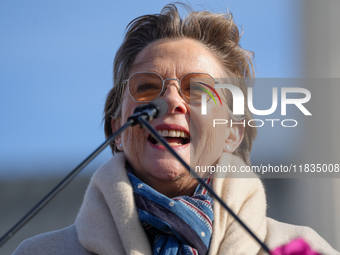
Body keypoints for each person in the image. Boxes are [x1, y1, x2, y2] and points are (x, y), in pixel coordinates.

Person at [13, 3, 339, 255]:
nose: (171, 100)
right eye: (146, 86)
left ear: (233, 132)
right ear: (117, 126)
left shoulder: (303, 248)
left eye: (197, 89)